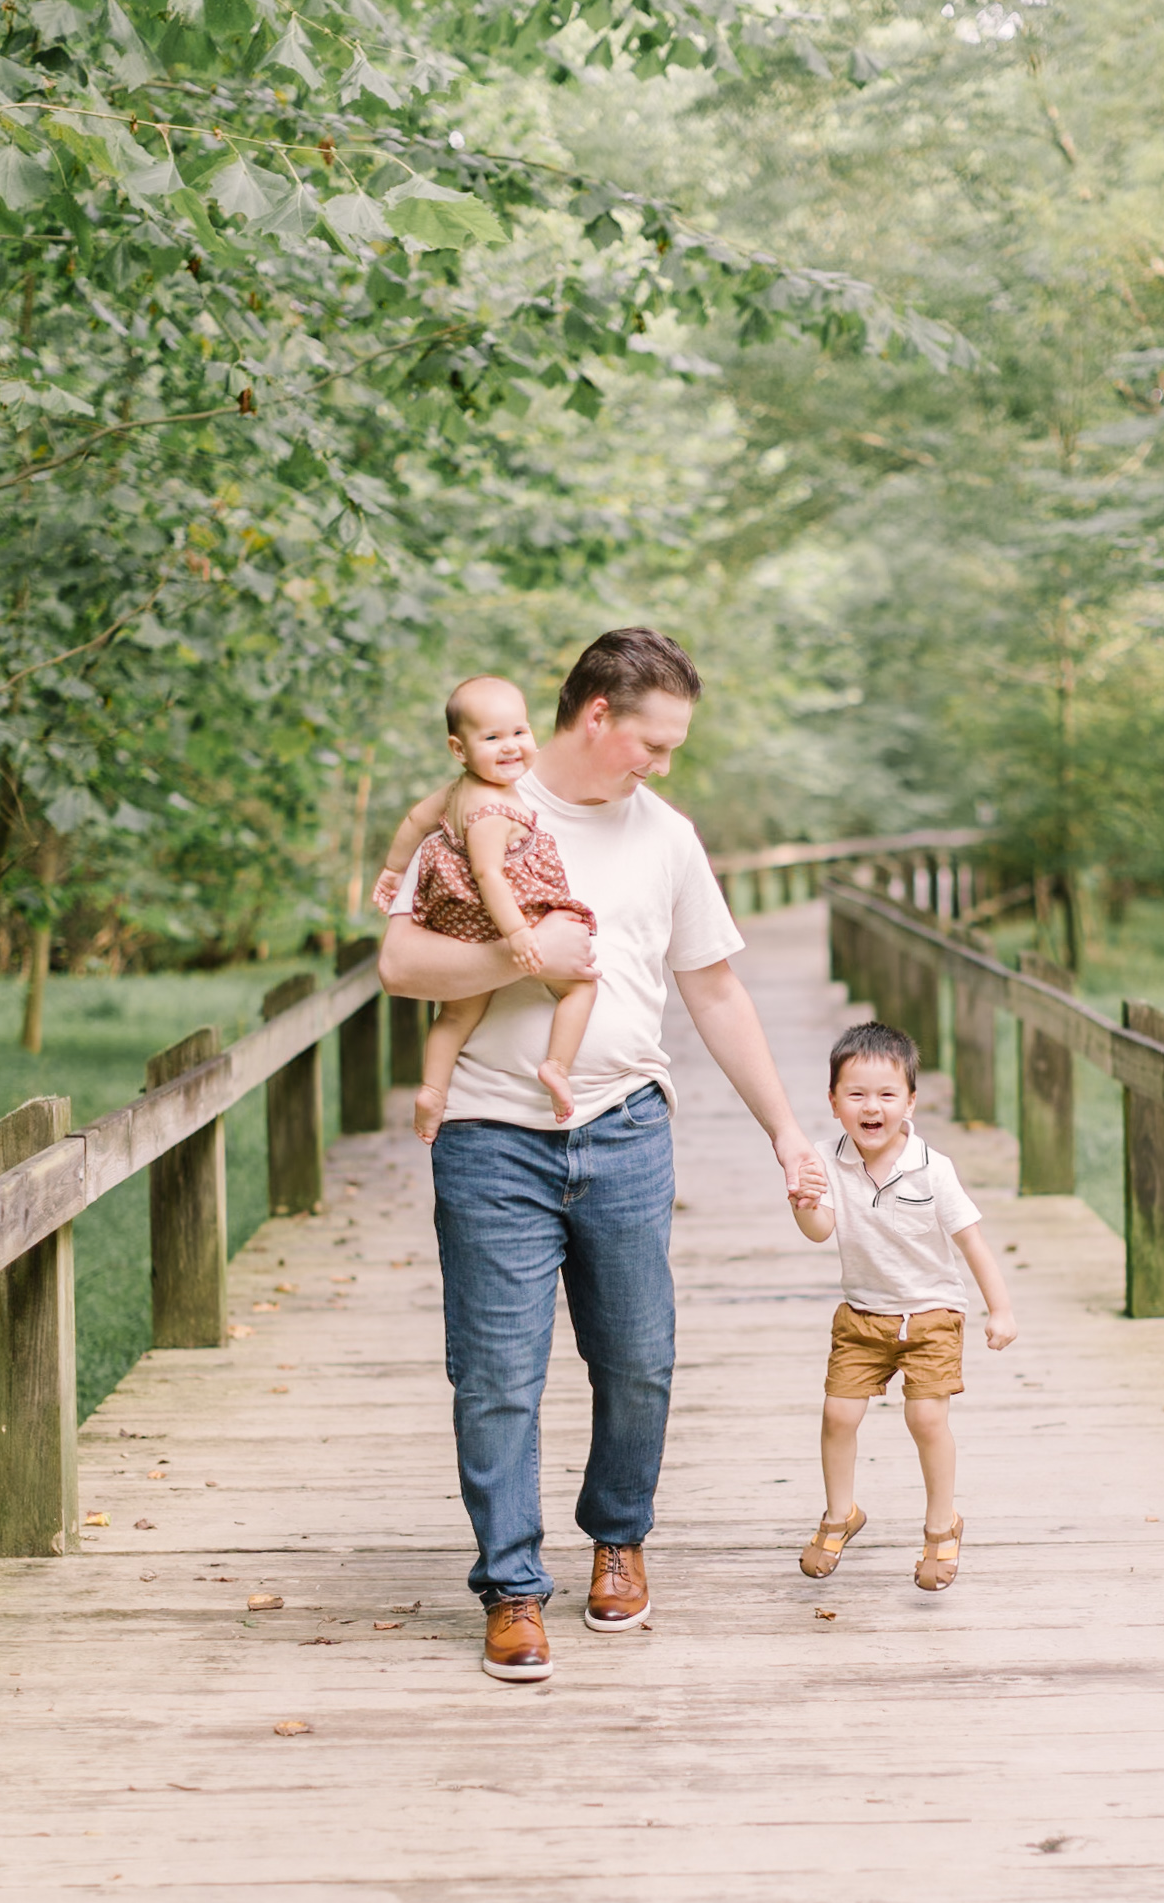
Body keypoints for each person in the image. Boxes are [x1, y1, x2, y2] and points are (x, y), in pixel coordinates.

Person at [378, 627, 818, 1682]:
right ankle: (514, 1589)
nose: (664, 764)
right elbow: (398, 962)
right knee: (494, 1376)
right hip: (488, 1135)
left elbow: (714, 987)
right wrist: (521, 954)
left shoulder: (665, 835)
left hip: (624, 1128)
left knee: (638, 1362)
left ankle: (617, 1538)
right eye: (653, 743)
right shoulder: (472, 809)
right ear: (598, 716)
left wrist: (787, 1129)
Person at [789, 1021, 1017, 1593]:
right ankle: (841, 1512)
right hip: (863, 1314)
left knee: (926, 1418)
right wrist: (804, 1201)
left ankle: (942, 1524)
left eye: (888, 1095)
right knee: (838, 1414)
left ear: (910, 1101)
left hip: (932, 1313)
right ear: (834, 1102)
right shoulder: (824, 1159)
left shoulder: (932, 1168)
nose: (873, 1107)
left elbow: (972, 1242)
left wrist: (1001, 1309)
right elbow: (820, 1231)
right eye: (857, 1094)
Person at [376, 675, 597, 1137]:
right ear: (460, 749)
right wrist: (519, 935)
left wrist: (394, 871)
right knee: (580, 987)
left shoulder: (457, 790)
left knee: (455, 1015)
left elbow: (417, 818)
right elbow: (488, 875)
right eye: (492, 738)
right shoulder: (493, 812)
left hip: (457, 925)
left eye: (519, 732)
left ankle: (433, 1091)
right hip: (502, 921)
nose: (511, 746)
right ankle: (556, 1066)